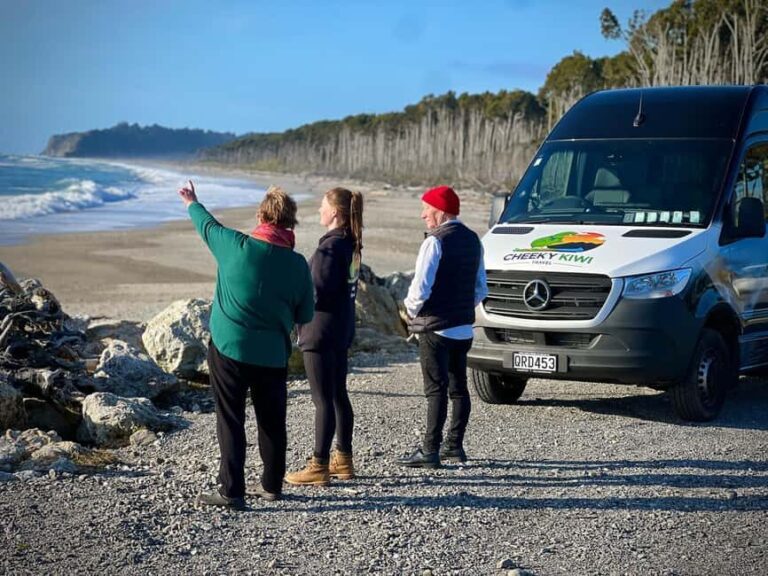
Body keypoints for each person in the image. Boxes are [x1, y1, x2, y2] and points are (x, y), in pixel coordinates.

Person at [178, 180, 314, 510]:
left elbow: (206, 225)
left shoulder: (234, 245)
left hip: (229, 349)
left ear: (261, 217)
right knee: (272, 420)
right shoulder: (298, 265)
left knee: (231, 418)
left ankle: (232, 492)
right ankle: (271, 486)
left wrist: (192, 201)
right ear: (290, 223)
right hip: (272, 355)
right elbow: (305, 313)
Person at [398, 185, 487, 469]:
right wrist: (462, 307)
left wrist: (409, 313)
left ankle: (430, 450)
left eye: (427, 208)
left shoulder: (434, 242)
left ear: (442, 210)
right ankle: (454, 446)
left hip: (435, 329)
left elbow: (420, 289)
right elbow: (481, 289)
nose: (423, 215)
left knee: (435, 391)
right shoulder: (474, 240)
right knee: (459, 389)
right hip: (463, 329)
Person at [285, 187, 364, 486]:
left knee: (323, 400)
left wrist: (292, 306)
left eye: (322, 206)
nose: (318, 210)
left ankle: (319, 464)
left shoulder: (330, 248)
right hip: (340, 329)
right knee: (337, 395)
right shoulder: (351, 244)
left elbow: (316, 293)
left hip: (320, 332)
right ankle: (343, 458)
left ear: (335, 213)